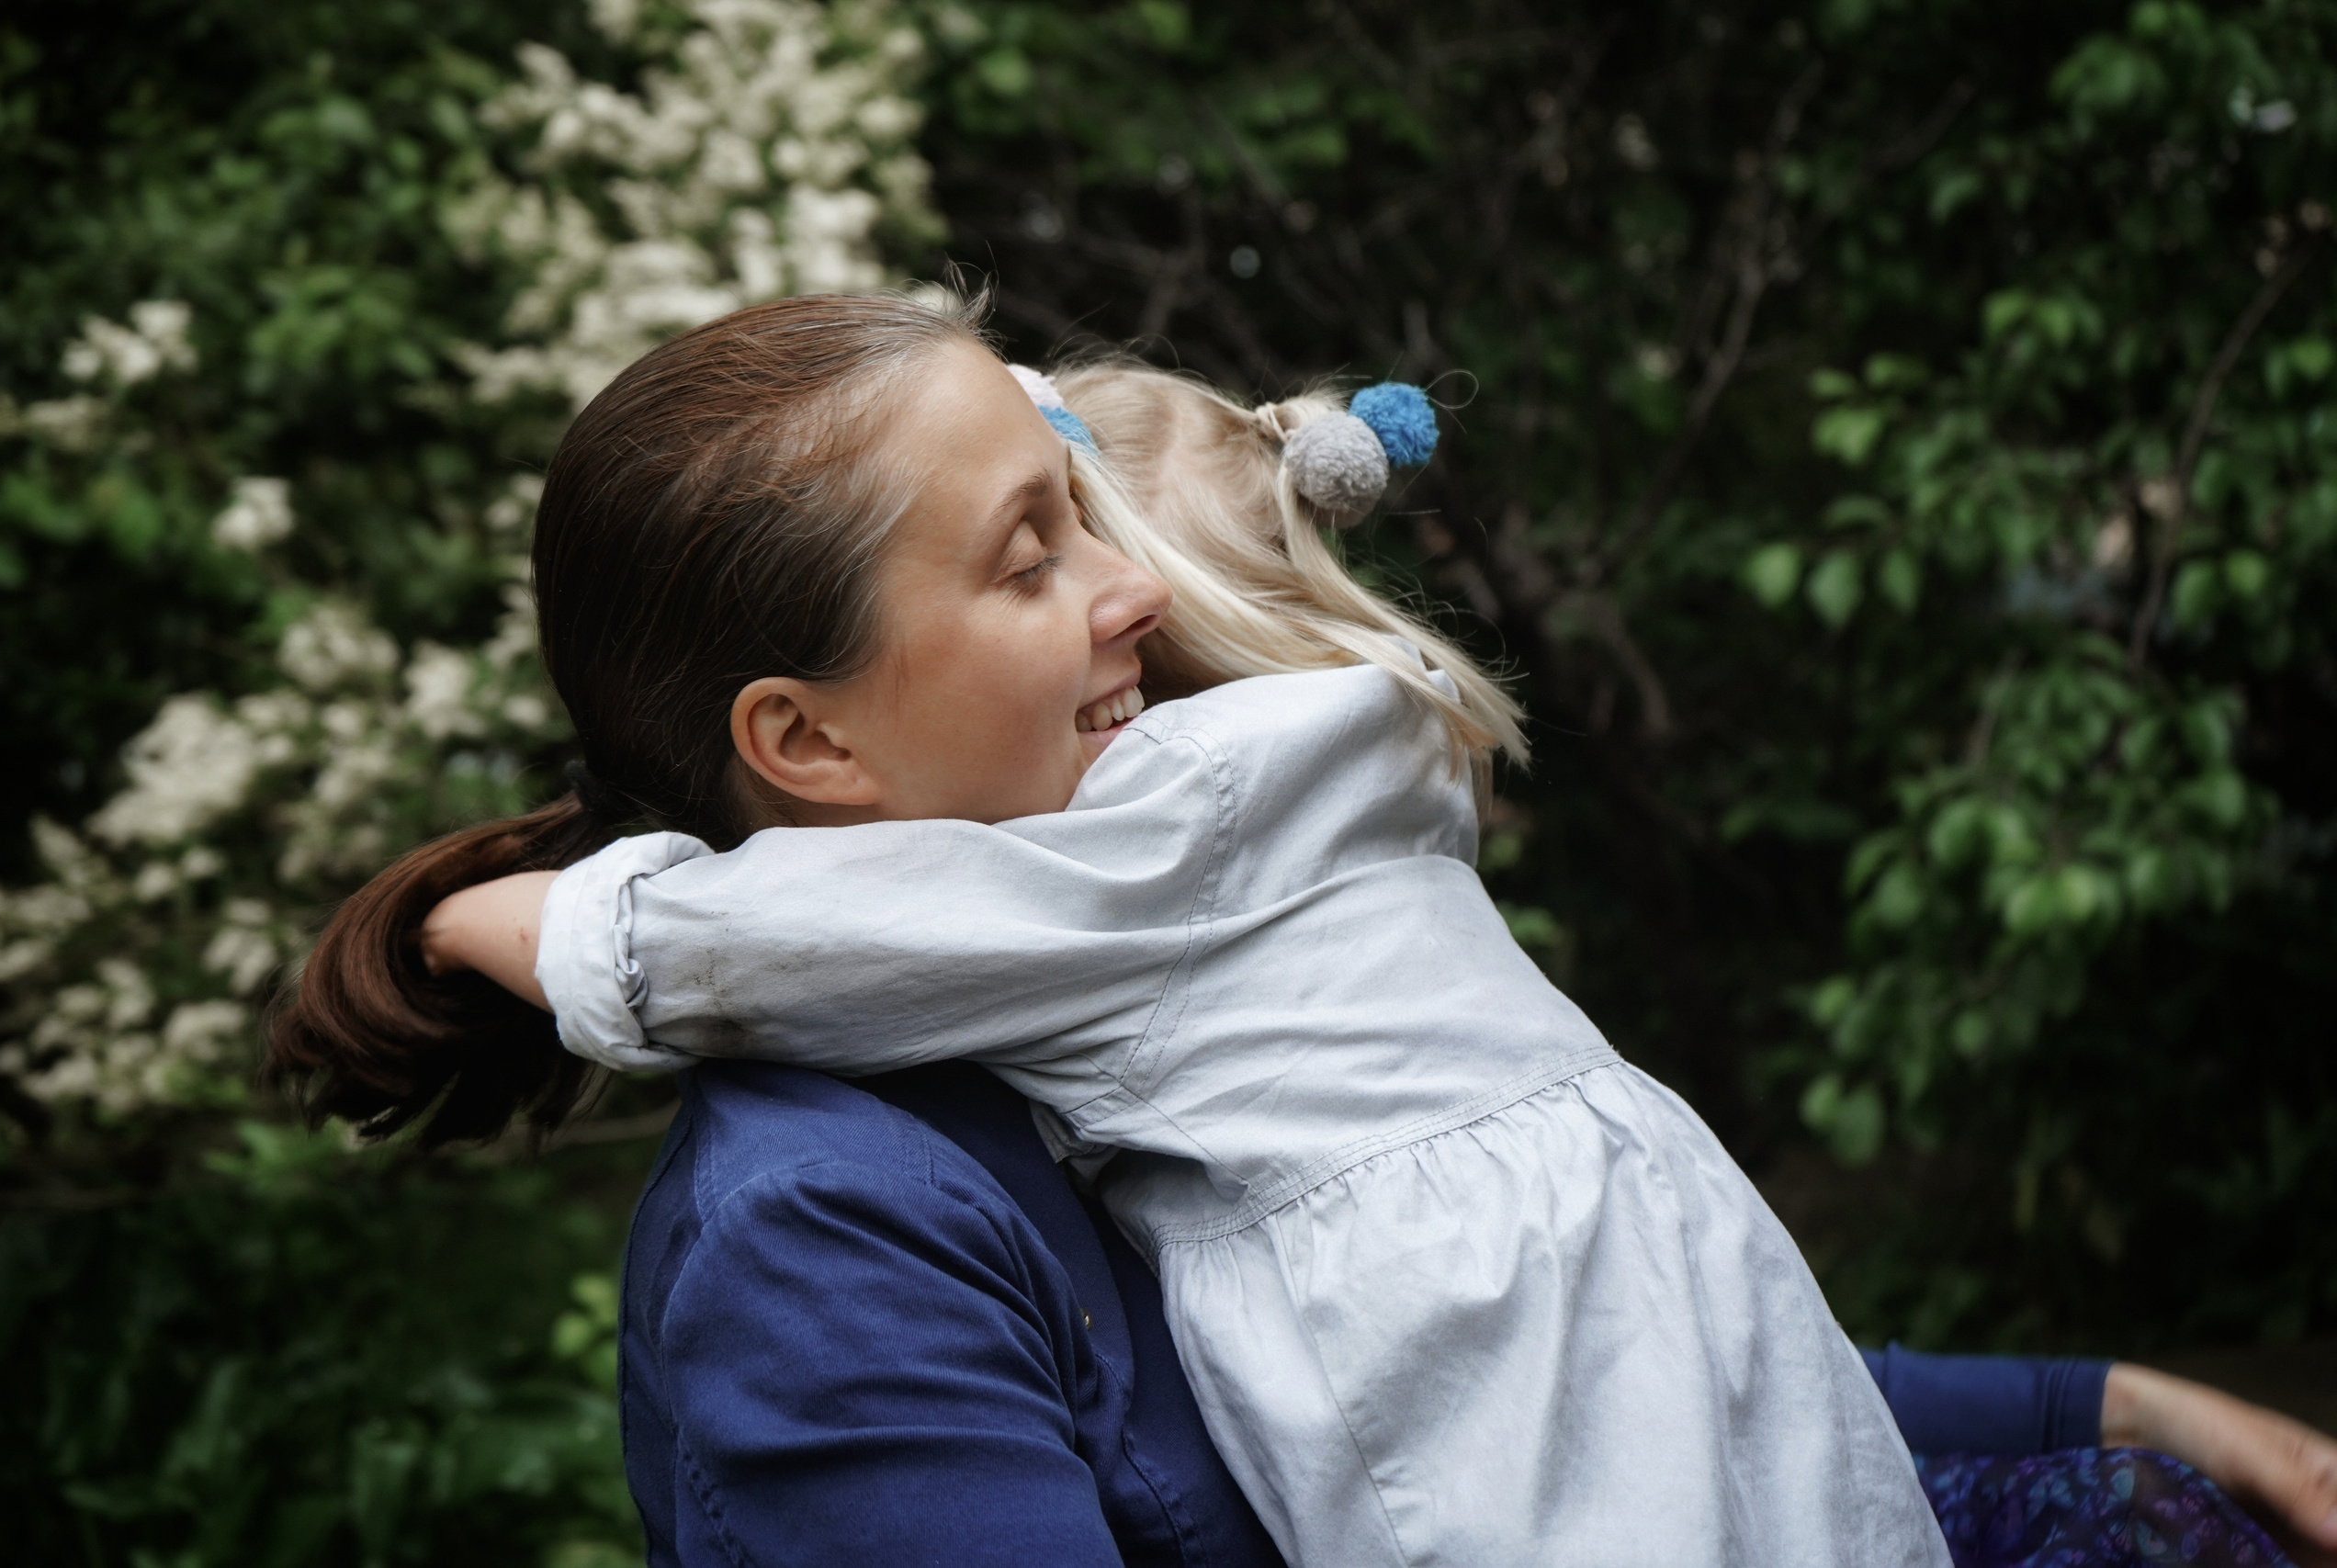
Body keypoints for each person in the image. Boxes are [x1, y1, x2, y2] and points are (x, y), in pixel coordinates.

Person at [265, 297, 2337, 1568]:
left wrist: (2109, 1403)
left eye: (1085, 516)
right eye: (1026, 552)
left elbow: (1674, 1385)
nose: (1129, 599)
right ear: (798, 739)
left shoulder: (1105, 903)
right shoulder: (830, 1215)